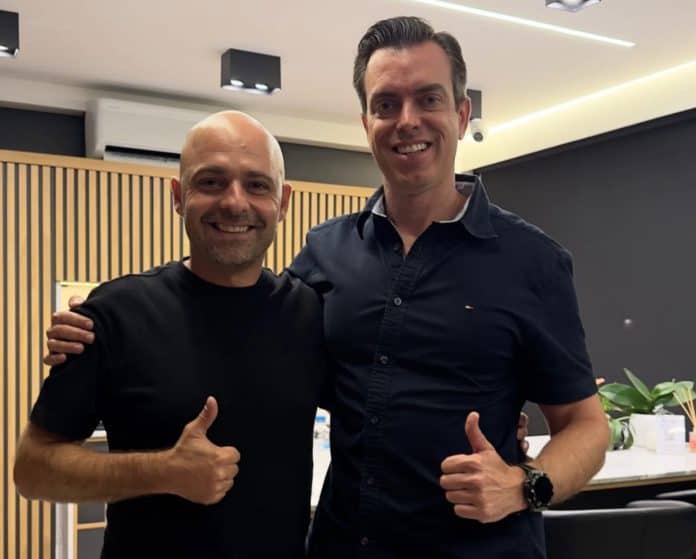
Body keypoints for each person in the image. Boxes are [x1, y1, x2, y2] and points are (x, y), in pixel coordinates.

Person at [43, 16, 609, 558]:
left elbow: (586, 426)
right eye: (386, 104)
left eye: (428, 99)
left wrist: (524, 485)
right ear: (366, 124)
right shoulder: (325, 252)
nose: (407, 120)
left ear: (461, 115)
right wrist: (109, 321)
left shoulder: (533, 261)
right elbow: (235, 307)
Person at [14, 111, 327, 558]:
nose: (234, 202)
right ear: (179, 196)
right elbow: (32, 470)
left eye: (257, 185)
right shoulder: (116, 314)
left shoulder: (310, 314)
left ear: (284, 201)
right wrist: (163, 472)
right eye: (211, 182)